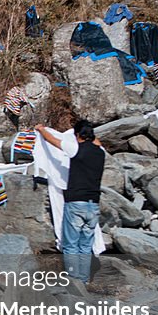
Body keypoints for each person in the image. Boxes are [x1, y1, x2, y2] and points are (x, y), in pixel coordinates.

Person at [34, 120, 105, 283]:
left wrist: (41, 129)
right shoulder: (100, 152)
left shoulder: (76, 149)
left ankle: (74, 280)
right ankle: (84, 280)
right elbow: (97, 142)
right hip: (93, 205)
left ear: (77, 135)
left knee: (71, 245)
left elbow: (53, 141)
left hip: (76, 203)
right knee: (86, 247)